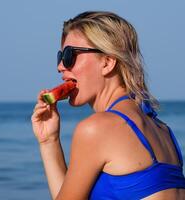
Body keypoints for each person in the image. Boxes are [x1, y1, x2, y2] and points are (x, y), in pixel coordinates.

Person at [31, 11, 185, 200]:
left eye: (70, 55)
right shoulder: (163, 131)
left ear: (107, 62)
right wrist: (49, 141)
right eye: (60, 56)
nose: (60, 66)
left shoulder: (97, 128)